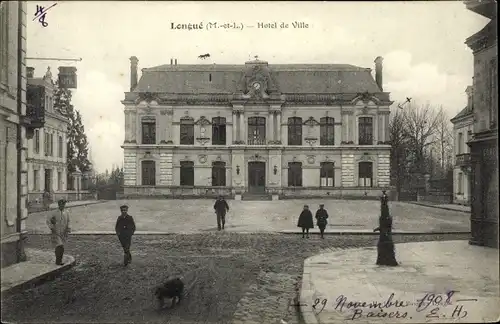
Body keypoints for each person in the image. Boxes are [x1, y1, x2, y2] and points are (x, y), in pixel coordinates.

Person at [373, 191, 398, 266]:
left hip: (385, 237)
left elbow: (385, 225)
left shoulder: (385, 216)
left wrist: (380, 229)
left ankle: (384, 260)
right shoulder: (386, 216)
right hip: (386, 236)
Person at [46, 199, 71, 265]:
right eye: (61, 204)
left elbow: (68, 221)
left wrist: (68, 228)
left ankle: (59, 260)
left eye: (64, 204)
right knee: (59, 246)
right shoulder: (54, 212)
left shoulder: (66, 212)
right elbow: (48, 221)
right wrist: (52, 227)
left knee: (61, 247)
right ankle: (58, 261)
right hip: (56, 232)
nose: (62, 206)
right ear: (59, 205)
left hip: (63, 232)